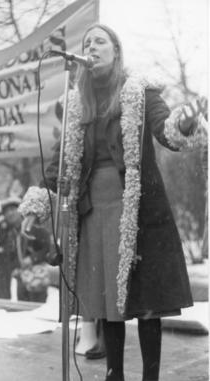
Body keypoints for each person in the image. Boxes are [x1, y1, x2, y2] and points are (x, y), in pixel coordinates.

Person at [18, 24, 207, 381]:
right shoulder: (77, 103)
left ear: (116, 50)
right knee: (107, 302)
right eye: (87, 42)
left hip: (138, 210)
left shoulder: (139, 90)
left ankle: (150, 377)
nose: (91, 47)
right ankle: (113, 374)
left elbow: (165, 130)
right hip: (94, 211)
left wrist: (183, 122)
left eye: (99, 41)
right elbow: (60, 162)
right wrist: (37, 204)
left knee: (148, 304)